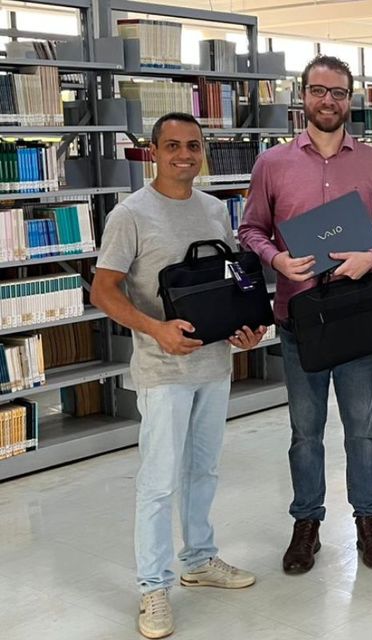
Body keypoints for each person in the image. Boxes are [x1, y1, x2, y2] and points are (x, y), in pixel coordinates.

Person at [91, 112, 266, 639]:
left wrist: (246, 328)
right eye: (172, 146)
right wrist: (155, 328)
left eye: (193, 145)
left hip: (214, 362)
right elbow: (102, 290)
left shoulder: (215, 211)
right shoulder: (131, 214)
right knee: (160, 479)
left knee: (204, 468)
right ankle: (152, 586)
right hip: (164, 367)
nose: (184, 155)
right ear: (153, 151)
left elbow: (227, 282)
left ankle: (199, 558)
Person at [239, 55, 372, 573]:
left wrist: (371, 258)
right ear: (303, 96)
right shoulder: (273, 163)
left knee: (363, 428)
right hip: (298, 317)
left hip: (356, 317)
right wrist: (277, 260)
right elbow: (250, 230)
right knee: (304, 432)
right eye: (318, 91)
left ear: (349, 99)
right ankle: (306, 524)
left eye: (337, 92)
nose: (327, 100)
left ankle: (369, 523)